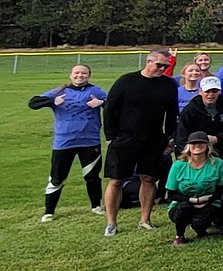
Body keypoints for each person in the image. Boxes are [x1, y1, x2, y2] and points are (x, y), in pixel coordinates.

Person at [102, 48, 178, 236]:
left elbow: (172, 113)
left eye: (166, 66)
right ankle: (111, 222)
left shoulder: (168, 85)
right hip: (124, 137)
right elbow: (110, 109)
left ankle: (145, 220)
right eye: (159, 65)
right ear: (148, 62)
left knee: (149, 178)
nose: (162, 69)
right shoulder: (126, 81)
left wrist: (168, 137)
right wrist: (111, 137)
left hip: (153, 139)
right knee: (116, 180)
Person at [28, 64, 107, 222]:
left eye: (84, 73)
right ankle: (49, 211)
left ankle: (96, 206)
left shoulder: (96, 91)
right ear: (71, 75)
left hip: (90, 141)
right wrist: (51, 101)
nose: (80, 75)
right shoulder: (60, 92)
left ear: (89, 75)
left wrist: (101, 103)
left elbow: (117, 104)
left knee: (92, 176)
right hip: (64, 142)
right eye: (76, 73)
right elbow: (33, 103)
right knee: (57, 177)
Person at [165, 132, 223, 246]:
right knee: (184, 209)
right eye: (193, 143)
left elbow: (221, 189)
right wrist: (193, 201)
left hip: (210, 201)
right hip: (183, 202)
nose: (197, 145)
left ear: (207, 146)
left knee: (200, 221)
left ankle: (201, 230)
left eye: (201, 143)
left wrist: (206, 201)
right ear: (188, 146)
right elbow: (171, 194)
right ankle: (179, 236)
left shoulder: (217, 163)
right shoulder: (178, 165)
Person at [175, 77, 223, 165]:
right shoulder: (190, 110)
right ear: (200, 91)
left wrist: (218, 138)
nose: (210, 94)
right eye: (207, 91)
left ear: (220, 91)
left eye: (214, 91)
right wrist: (190, 153)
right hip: (197, 149)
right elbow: (182, 135)